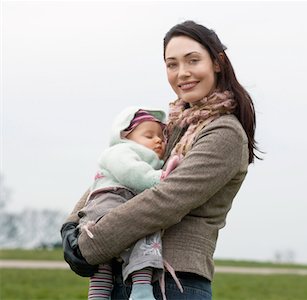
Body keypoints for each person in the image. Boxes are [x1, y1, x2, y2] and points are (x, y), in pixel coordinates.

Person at [61, 20, 260, 300]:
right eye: (172, 64)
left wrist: (91, 245)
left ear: (217, 62)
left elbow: (166, 200)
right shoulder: (173, 126)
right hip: (125, 275)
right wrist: (71, 225)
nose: (183, 73)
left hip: (173, 282)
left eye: (193, 60)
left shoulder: (224, 132)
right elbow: (119, 168)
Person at [76, 107, 179, 300]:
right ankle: (111, 292)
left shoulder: (151, 160)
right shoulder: (119, 151)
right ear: (124, 136)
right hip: (110, 199)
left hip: (125, 200)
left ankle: (139, 289)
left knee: (139, 240)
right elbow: (132, 173)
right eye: (149, 135)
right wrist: (160, 178)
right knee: (122, 240)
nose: (158, 140)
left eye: (161, 137)